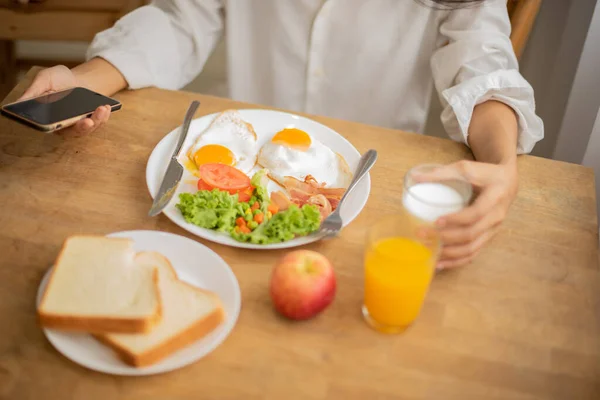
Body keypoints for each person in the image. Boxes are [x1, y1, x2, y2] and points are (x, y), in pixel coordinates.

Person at [18, 0, 544, 269]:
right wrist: (83, 83)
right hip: (222, 212)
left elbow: (481, 61)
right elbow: (183, 18)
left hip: (366, 201)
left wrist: (503, 166)